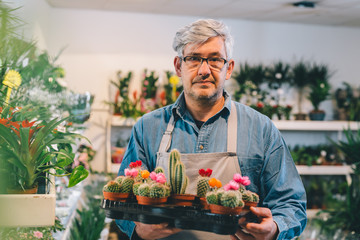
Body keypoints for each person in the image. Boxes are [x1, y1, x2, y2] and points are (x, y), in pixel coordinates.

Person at [116, 19, 307, 240]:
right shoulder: (147, 128)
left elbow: (291, 203)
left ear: (229, 68)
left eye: (215, 60)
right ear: (179, 66)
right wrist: (137, 228)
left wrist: (274, 228)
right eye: (194, 59)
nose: (204, 70)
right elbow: (122, 199)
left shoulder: (261, 128)